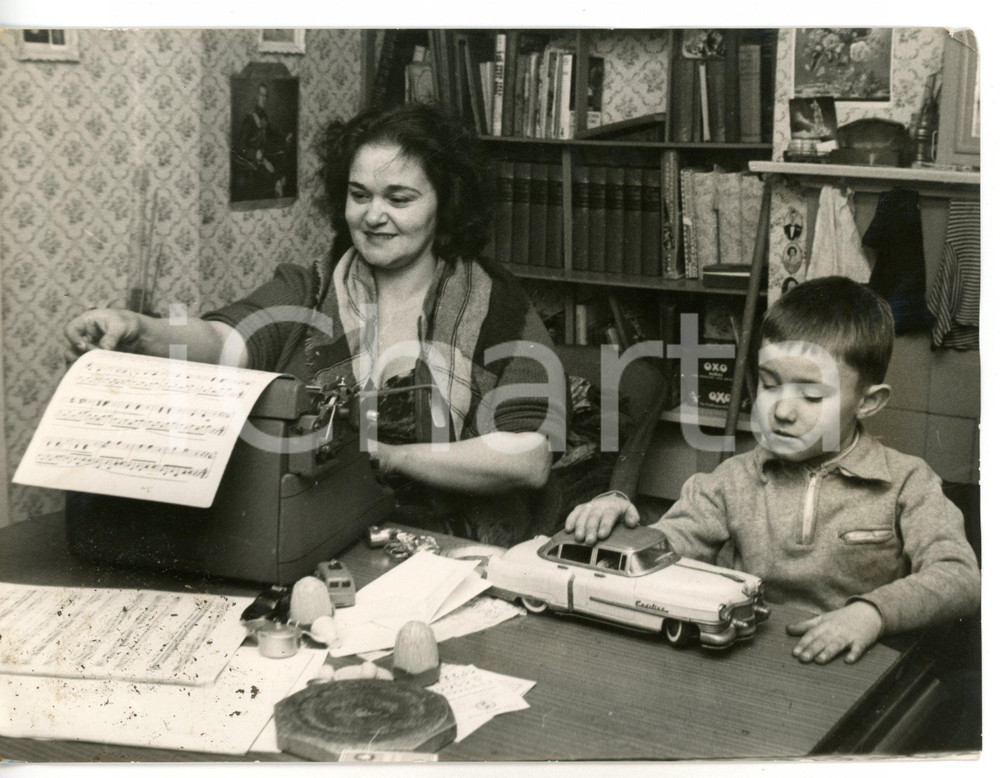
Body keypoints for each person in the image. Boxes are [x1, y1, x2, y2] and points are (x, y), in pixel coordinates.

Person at [65, 102, 563, 546]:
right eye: (359, 194)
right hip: (315, 540)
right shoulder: (307, 290)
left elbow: (526, 457)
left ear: (445, 204)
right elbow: (223, 342)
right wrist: (139, 330)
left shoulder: (498, 305)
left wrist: (385, 457)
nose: (373, 215)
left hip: (450, 550)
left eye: (400, 198)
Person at [565, 276, 980, 665]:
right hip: (754, 663)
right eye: (769, 384)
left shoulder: (908, 481)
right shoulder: (730, 480)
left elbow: (960, 578)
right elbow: (666, 549)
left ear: (868, 402)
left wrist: (873, 613)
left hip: (864, 671)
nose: (781, 410)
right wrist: (623, 523)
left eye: (811, 396)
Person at [233, 83, 293, 199]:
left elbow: (272, 132)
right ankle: (277, 186)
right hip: (250, 157)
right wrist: (254, 153)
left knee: (281, 155)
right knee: (271, 172)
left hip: (263, 152)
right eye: (261, 95)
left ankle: (279, 184)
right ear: (256, 96)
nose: (264, 98)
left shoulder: (263, 116)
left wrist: (284, 137)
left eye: (265, 96)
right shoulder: (250, 118)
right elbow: (240, 145)